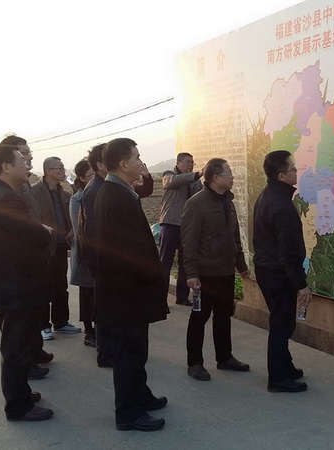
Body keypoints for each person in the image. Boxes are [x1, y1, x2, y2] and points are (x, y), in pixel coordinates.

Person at [94, 137, 169, 432]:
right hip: (126, 292)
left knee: (137, 350)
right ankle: (128, 413)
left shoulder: (118, 191)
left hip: (127, 290)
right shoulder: (116, 196)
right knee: (128, 353)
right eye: (137, 157)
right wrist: (151, 277)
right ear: (123, 164)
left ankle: (140, 395)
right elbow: (130, 252)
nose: (141, 162)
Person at [0, 145, 54, 422]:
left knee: (16, 345)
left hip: (8, 282)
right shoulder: (6, 198)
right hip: (16, 285)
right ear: (6, 167)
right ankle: (18, 406)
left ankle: (21, 393)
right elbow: (31, 233)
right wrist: (44, 231)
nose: (27, 164)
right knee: (16, 348)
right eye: (21, 160)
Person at [181, 158, 250, 381]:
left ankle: (225, 357)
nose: (232, 176)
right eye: (229, 173)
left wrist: (241, 265)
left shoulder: (228, 202)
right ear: (215, 178)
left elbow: (234, 238)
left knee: (223, 316)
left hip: (225, 270)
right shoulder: (196, 204)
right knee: (199, 317)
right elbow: (189, 242)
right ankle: (195, 362)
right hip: (205, 273)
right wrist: (191, 274)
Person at [252, 150, 311, 393]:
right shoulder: (281, 205)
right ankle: (277, 378)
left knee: (281, 321)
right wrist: (301, 284)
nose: (296, 172)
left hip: (268, 270)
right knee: (281, 325)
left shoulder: (268, 196)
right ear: (281, 176)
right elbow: (287, 251)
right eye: (293, 169)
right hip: (277, 274)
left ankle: (285, 367)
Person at [0, 135, 53, 378]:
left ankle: (35, 351)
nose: (28, 157)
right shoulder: (7, 189)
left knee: (34, 309)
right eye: (23, 153)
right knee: (20, 321)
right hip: (21, 260)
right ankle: (26, 362)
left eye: (28, 153)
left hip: (35, 251)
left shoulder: (23, 181)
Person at [32, 157, 81, 340]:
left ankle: (61, 322)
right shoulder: (35, 192)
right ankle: (43, 325)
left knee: (61, 285)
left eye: (63, 168)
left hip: (61, 245)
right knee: (44, 286)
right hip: (43, 245)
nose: (62, 171)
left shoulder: (64, 193)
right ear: (48, 171)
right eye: (59, 168)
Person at [158, 152, 202, 306]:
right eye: (188, 162)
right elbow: (174, 181)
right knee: (165, 262)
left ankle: (182, 297)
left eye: (192, 162)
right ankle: (160, 299)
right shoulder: (169, 175)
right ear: (178, 163)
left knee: (186, 262)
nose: (191, 165)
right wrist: (197, 174)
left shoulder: (195, 181)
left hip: (187, 227)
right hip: (171, 224)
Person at [69, 159, 96, 347]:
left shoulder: (101, 193)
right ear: (82, 178)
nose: (94, 177)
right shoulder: (77, 199)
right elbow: (78, 228)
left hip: (100, 252)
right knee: (87, 292)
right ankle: (89, 331)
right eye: (90, 175)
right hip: (85, 251)